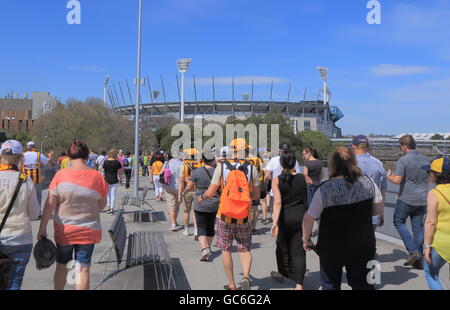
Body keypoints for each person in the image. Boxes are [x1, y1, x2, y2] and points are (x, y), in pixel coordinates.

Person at [302, 147, 384, 290]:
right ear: (353, 162)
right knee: (363, 284)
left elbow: (308, 218)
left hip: (332, 247)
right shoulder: (368, 182)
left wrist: (307, 239)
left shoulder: (325, 189)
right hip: (362, 244)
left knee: (331, 284)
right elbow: (378, 209)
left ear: (333, 164)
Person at [38, 140, 108, 290]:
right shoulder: (97, 177)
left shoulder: (60, 175)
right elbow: (102, 204)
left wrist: (42, 227)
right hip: (89, 230)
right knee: (83, 268)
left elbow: (50, 204)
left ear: (69, 156)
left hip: (64, 230)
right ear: (87, 155)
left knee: (62, 265)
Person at [199, 138, 260, 290]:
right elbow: (257, 195)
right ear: (245, 151)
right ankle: (246, 276)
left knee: (226, 250)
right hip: (244, 216)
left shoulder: (221, 166)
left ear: (231, 151)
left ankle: (232, 284)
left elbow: (211, 191)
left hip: (224, 215)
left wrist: (201, 198)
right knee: (245, 249)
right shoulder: (252, 168)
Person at [0, 140, 40, 290]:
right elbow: (35, 214)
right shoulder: (25, 181)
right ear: (20, 158)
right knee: (15, 282)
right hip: (20, 238)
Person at [387, 134, 430, 269]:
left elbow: (397, 180)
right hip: (422, 199)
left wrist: (388, 176)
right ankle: (419, 259)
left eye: (401, 146)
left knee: (398, 222)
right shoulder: (426, 160)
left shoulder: (403, 160)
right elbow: (428, 178)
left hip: (406, 198)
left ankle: (413, 252)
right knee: (417, 228)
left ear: (404, 147)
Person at [270, 150, 308, 290]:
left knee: (282, 247)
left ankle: (283, 273)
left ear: (281, 163)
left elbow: (278, 203)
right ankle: (299, 285)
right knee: (299, 250)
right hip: (301, 217)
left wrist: (274, 223)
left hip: (285, 218)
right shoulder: (303, 178)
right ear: (295, 162)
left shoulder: (277, 180)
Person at [422, 158, 450, 290]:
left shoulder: (434, 193)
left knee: (431, 272)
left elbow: (430, 222)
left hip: (442, 244)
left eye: (429, 171)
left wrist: (427, 246)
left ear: (435, 174)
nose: (428, 174)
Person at [186, 151, 219, 261]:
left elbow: (190, 186)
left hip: (200, 202)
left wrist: (185, 190)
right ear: (213, 160)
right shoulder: (217, 171)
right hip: (214, 202)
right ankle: (208, 248)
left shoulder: (197, 172)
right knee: (210, 226)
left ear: (202, 159)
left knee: (201, 226)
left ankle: (204, 249)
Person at [352, 136, 387, 232]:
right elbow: (382, 192)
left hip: (353, 213)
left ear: (353, 147)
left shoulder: (349, 164)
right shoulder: (379, 164)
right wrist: (381, 213)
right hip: (373, 214)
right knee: (368, 243)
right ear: (368, 147)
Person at [264, 142, 306, 221]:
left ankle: (277, 223)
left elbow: (267, 175)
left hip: (276, 189)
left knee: (274, 208)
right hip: (290, 188)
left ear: (279, 150)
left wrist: (266, 186)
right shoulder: (295, 161)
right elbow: (298, 175)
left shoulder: (273, 160)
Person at [178, 148, 201, 238]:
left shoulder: (183, 165)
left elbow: (181, 181)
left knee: (186, 211)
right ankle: (196, 231)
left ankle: (186, 230)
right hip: (197, 190)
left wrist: (180, 194)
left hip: (187, 191)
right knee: (195, 211)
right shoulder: (200, 164)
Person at [23, 141, 48, 210]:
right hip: (36, 179)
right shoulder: (38, 154)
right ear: (34, 146)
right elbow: (46, 163)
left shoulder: (23, 155)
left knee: (26, 196)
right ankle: (38, 212)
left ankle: (27, 211)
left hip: (25, 180)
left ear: (27, 147)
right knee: (38, 195)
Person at [162, 152, 183, 231]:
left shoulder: (167, 163)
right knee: (177, 205)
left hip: (169, 186)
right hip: (180, 187)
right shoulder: (183, 164)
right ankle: (175, 220)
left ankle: (173, 224)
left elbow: (161, 172)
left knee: (171, 205)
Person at [103, 149, 122, 215]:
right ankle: (111, 208)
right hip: (114, 179)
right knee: (113, 194)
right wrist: (120, 178)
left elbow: (103, 171)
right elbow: (119, 172)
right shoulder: (117, 162)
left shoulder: (105, 162)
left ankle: (108, 206)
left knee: (108, 194)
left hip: (106, 179)